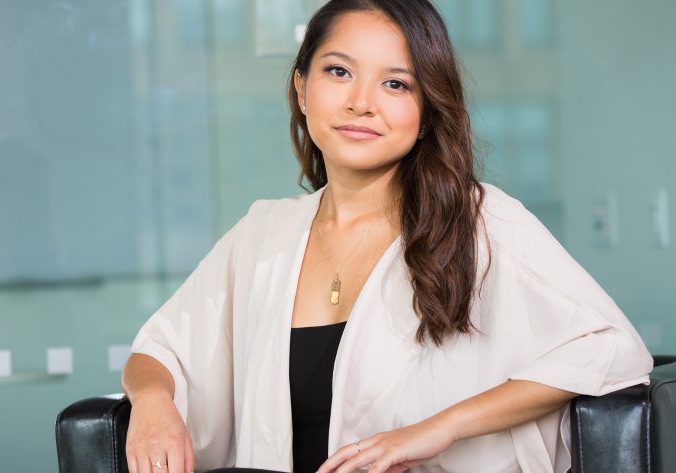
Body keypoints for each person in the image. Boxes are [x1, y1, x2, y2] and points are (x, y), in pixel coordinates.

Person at [120, 1, 653, 472]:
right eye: (338, 71)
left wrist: (436, 430)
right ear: (301, 89)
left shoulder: (480, 220)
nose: (362, 102)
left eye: (395, 83)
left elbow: (609, 346)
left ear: (424, 114)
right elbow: (162, 348)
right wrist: (151, 404)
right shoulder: (263, 232)